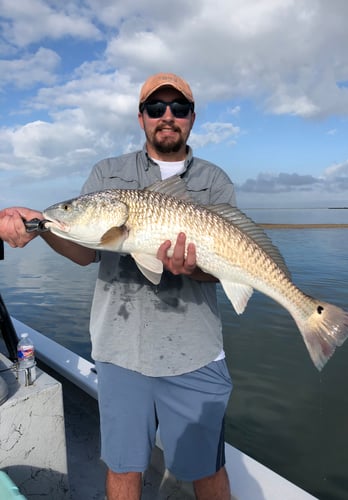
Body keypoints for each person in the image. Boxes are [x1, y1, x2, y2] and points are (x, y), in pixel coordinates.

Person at [0, 73, 236, 500]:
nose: (167, 117)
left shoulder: (214, 181)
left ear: (192, 118)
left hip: (196, 352)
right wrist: (43, 225)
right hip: (120, 352)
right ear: (141, 117)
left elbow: (226, 265)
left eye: (178, 109)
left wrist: (195, 268)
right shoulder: (109, 175)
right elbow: (86, 249)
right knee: (123, 467)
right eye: (156, 108)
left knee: (209, 470)